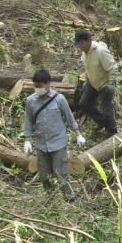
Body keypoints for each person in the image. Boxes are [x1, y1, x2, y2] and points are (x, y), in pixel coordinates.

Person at [23, 69, 84, 199]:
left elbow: (69, 118)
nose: (38, 88)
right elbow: (28, 121)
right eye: (36, 86)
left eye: (40, 85)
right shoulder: (30, 101)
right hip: (41, 144)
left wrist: (78, 134)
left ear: (48, 83)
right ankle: (50, 198)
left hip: (58, 142)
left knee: (61, 173)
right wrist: (27, 141)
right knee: (44, 175)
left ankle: (68, 197)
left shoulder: (59, 99)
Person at [75, 29, 119, 137]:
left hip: (105, 84)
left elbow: (113, 67)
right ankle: (102, 122)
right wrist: (87, 80)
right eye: (78, 44)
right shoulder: (84, 52)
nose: (80, 46)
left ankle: (111, 132)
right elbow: (88, 67)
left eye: (82, 43)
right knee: (84, 104)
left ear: (89, 40)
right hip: (92, 82)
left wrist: (111, 84)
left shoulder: (100, 51)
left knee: (107, 108)